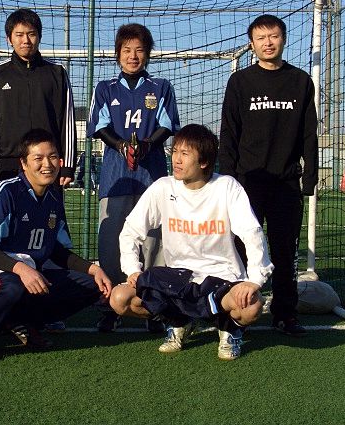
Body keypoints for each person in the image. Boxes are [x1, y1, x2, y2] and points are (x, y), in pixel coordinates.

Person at [110, 124, 274, 360]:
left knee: (251, 306)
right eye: (175, 151)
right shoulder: (163, 187)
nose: (176, 159)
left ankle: (230, 329)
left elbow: (252, 233)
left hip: (221, 278)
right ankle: (179, 322)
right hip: (178, 280)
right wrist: (132, 269)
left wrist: (254, 280)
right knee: (120, 299)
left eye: (185, 154)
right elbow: (130, 230)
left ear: (204, 161)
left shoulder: (226, 187)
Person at [0, 129, 112, 364]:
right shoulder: (7, 191)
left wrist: (93, 269)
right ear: (23, 163)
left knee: (92, 285)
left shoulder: (54, 197)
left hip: (30, 273)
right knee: (12, 284)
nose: (47, 164)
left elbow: (56, 250)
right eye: (38, 158)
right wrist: (21, 269)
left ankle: (21, 322)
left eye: (53, 157)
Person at [218, 14, 318, 337]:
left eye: (273, 36)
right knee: (240, 249)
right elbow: (228, 135)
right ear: (252, 44)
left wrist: (310, 176)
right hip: (247, 184)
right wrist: (227, 182)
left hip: (286, 183)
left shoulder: (300, 81)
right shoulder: (240, 82)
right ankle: (236, 313)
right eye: (261, 38)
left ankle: (285, 314)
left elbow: (309, 134)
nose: (268, 43)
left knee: (285, 251)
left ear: (283, 39)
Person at [86, 23, 180, 332]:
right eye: (126, 50)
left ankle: (153, 307)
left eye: (139, 50)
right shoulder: (105, 88)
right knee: (111, 241)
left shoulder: (161, 87)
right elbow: (98, 126)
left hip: (152, 176)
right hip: (115, 177)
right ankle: (111, 306)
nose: (133, 56)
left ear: (148, 54)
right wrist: (121, 146)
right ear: (118, 54)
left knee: (153, 242)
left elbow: (168, 124)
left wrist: (147, 145)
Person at [0, 8, 76, 188]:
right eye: (19, 35)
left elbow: (67, 122)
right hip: (7, 165)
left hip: (47, 164)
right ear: (9, 39)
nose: (26, 40)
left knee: (49, 208)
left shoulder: (57, 72)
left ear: (39, 36)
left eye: (31, 34)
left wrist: (68, 165)